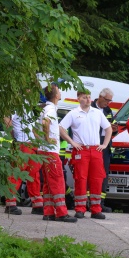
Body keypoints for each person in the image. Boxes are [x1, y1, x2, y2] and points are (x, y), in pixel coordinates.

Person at [59, 89, 112, 220]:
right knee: (80, 179)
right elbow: (60, 128)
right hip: (81, 149)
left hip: (95, 149)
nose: (88, 99)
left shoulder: (97, 113)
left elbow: (108, 128)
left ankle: (96, 209)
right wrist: (71, 142)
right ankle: (80, 209)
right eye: (84, 97)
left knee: (97, 179)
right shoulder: (73, 113)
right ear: (78, 99)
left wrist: (104, 145)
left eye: (89, 97)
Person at [38, 82, 77, 223]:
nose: (60, 93)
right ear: (55, 95)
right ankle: (61, 213)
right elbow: (44, 123)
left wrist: (41, 141)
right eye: (59, 91)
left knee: (48, 183)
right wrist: (48, 139)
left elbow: (36, 129)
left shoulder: (44, 108)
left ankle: (48, 212)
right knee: (58, 181)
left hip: (43, 151)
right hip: (50, 152)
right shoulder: (51, 110)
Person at [3, 106, 43, 216]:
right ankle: (10, 204)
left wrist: (38, 141)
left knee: (34, 175)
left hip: (31, 144)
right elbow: (6, 119)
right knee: (17, 173)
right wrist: (14, 137)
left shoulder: (30, 105)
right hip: (21, 143)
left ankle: (37, 205)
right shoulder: (16, 103)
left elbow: (32, 127)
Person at [91, 87, 118, 213]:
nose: (108, 103)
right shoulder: (91, 107)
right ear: (100, 97)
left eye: (110, 101)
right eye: (107, 100)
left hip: (105, 146)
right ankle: (88, 201)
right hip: (93, 143)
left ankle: (100, 202)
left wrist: (114, 128)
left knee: (103, 174)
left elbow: (111, 125)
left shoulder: (108, 110)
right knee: (90, 174)